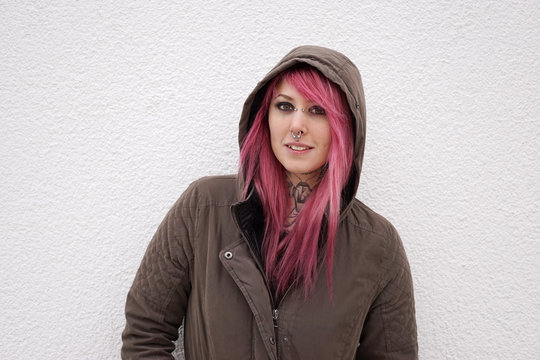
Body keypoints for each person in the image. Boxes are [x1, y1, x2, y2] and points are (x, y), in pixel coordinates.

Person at [121, 45, 418, 359]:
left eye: (318, 110)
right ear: (266, 116)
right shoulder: (203, 209)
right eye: (285, 106)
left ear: (344, 128)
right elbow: (145, 333)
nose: (297, 126)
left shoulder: (377, 246)